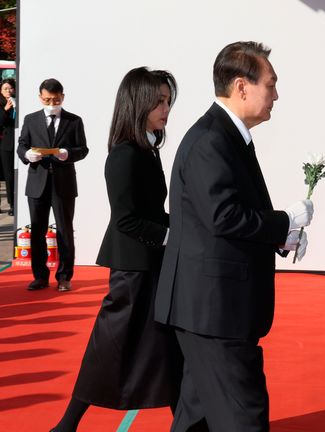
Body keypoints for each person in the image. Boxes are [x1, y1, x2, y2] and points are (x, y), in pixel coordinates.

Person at [154, 41, 312, 431]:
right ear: (242, 86)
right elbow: (224, 216)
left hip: (210, 307)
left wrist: (282, 237)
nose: (276, 94)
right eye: (270, 85)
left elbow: (222, 217)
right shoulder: (212, 139)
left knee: (197, 416)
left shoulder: (227, 134)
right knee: (244, 417)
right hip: (213, 311)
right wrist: (283, 221)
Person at [50, 67, 183, 432]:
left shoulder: (147, 148)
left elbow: (152, 212)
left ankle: (186, 422)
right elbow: (127, 221)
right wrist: (176, 235)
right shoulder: (124, 155)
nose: (165, 108)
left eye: (168, 100)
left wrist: (182, 225)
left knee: (164, 347)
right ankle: (67, 424)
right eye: (158, 101)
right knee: (110, 348)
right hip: (132, 270)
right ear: (138, 103)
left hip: (150, 265)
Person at [17, 78, 88, 292]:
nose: (51, 103)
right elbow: (22, 145)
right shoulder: (31, 119)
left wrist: (68, 154)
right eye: (47, 99)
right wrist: (28, 155)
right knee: (37, 230)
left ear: (62, 97)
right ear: (40, 97)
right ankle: (40, 276)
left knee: (64, 230)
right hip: (37, 181)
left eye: (56, 99)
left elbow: (83, 149)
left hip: (63, 182)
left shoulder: (74, 121)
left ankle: (64, 277)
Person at [0, 78, 16, 215]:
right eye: (5, 88)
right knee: (9, 176)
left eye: (10, 88)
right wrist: (5, 110)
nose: (8, 91)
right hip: (6, 144)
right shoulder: (1, 104)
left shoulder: (19, 101)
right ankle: (12, 204)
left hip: (19, 142)